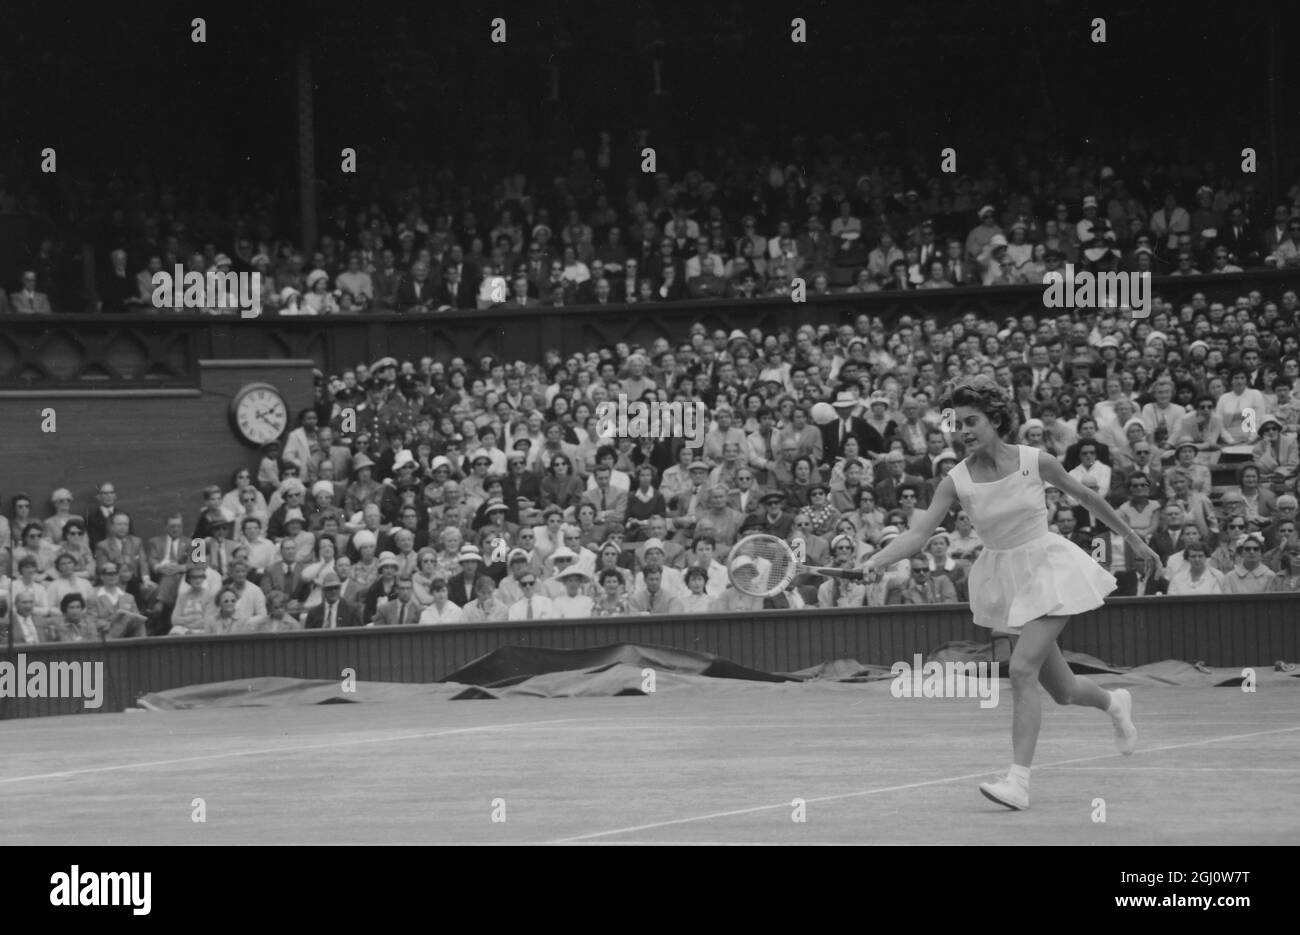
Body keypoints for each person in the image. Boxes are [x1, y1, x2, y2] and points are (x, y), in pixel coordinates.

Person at [861, 376, 1160, 811]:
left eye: (972, 421)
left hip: (1050, 570)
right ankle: (1114, 702)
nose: (963, 430)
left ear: (996, 420)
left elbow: (1088, 500)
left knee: (1021, 671)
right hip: (1008, 579)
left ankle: (1018, 782)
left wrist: (1135, 541)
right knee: (1064, 690)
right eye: (956, 423)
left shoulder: (1035, 460)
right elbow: (919, 533)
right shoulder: (955, 480)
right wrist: (876, 561)